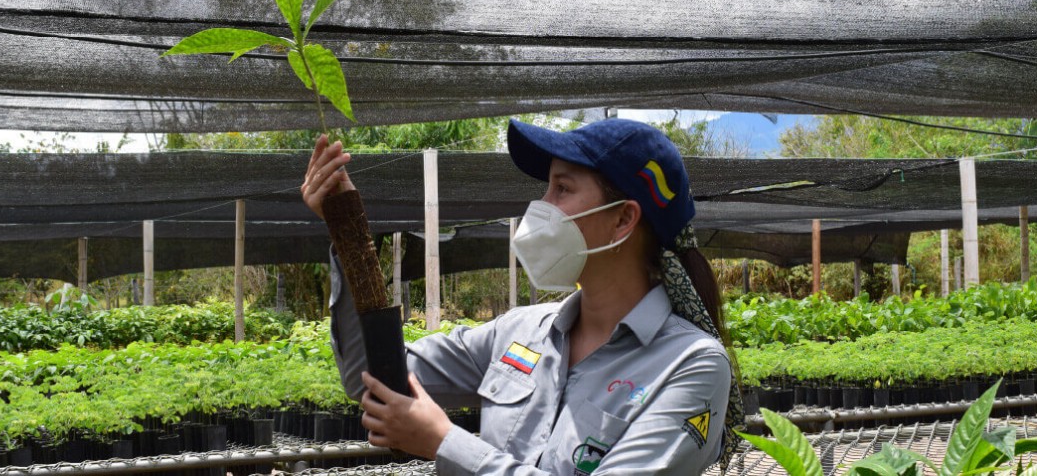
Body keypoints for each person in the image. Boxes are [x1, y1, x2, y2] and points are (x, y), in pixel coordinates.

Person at [301, 118, 742, 475]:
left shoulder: (691, 365)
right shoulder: (520, 331)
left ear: (623, 220)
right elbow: (371, 378)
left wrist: (445, 443)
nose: (541, 206)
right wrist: (349, 235)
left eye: (562, 189)